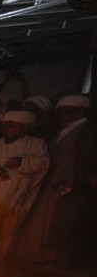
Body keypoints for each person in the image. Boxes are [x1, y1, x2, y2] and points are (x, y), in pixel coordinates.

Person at [18, 95, 97, 266]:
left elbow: (87, 160)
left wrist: (73, 183)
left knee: (62, 222)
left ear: (79, 111)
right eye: (60, 113)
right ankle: (40, 253)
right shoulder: (63, 130)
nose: (62, 116)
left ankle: (56, 256)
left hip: (68, 183)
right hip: (52, 180)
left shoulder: (88, 131)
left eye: (67, 112)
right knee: (46, 218)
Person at [0, 110, 49, 263]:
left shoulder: (36, 144)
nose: (8, 130)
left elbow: (43, 163)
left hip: (18, 191)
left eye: (12, 126)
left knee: (10, 227)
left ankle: (1, 255)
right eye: (5, 126)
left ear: (25, 128)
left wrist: (22, 163)